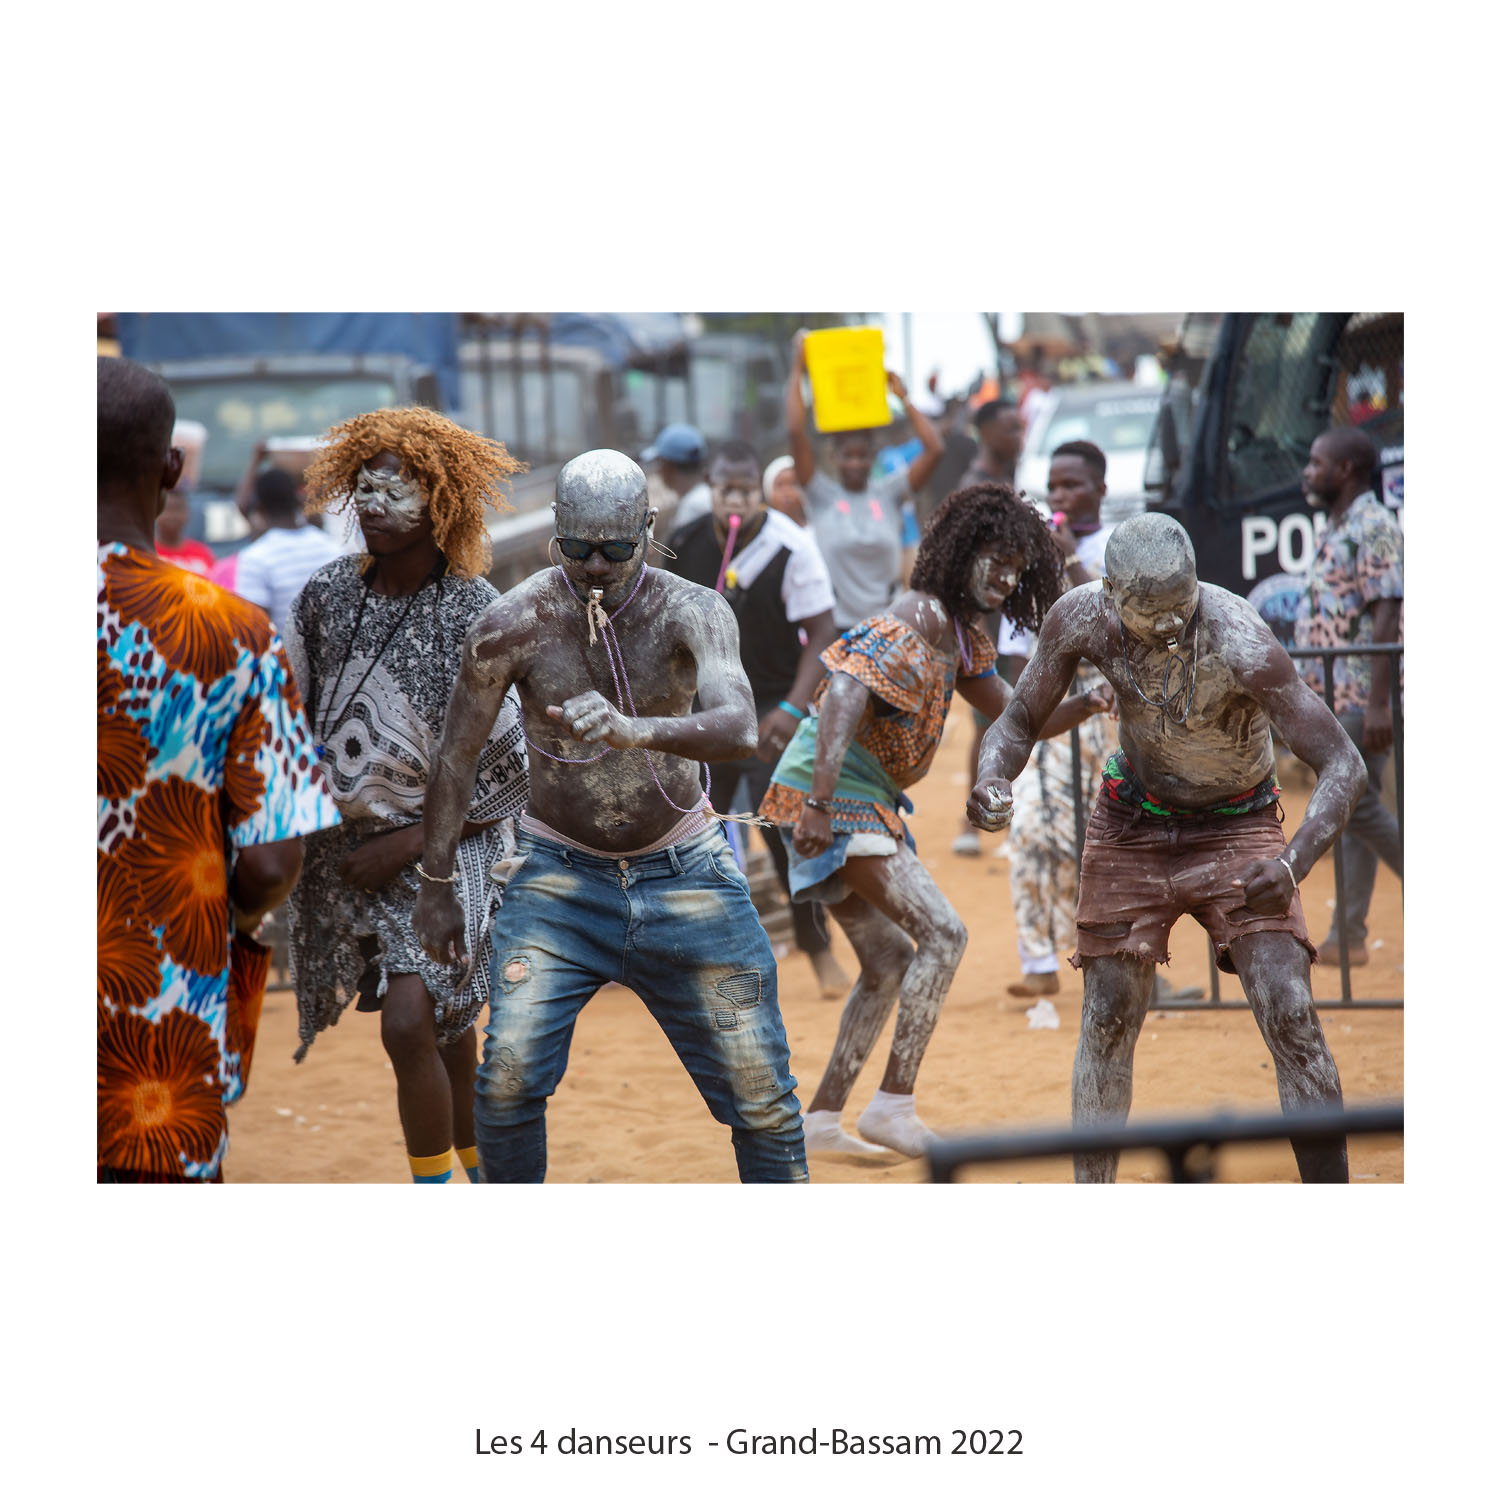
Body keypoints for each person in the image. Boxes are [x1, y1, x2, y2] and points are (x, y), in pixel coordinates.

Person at [413, 449, 807, 1184]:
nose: (595, 567)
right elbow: (455, 758)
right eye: (578, 548)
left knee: (763, 1100)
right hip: (558, 878)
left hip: (687, 870)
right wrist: (435, 885)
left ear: (649, 528)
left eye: (617, 550)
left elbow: (740, 727)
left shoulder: (693, 609)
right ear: (555, 529)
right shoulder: (513, 622)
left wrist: (636, 729)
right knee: (506, 1087)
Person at [968, 513, 1368, 1183]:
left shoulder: (1241, 638)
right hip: (1132, 824)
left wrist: (1291, 863)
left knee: (1291, 1013)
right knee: (1106, 1021)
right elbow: (1016, 721)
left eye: (1180, 610)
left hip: (1238, 824)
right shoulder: (1079, 618)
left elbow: (1343, 764)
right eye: (1150, 616)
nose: (1170, 629)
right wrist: (990, 777)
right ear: (1109, 595)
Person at [760, 484, 1114, 1156]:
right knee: (944, 934)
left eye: (1016, 568)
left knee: (889, 959)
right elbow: (843, 691)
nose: (1004, 578)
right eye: (995, 560)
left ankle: (822, 1121)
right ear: (959, 552)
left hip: (855, 799)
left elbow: (1019, 717)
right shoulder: (920, 615)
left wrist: (1089, 701)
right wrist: (820, 804)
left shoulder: (958, 634)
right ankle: (893, 1106)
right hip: (834, 797)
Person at [97, 357, 339, 1182]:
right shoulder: (232, 633)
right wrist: (224, 918)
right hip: (162, 1049)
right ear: (171, 470)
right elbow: (272, 862)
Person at [283, 408, 530, 1185]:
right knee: (443, 1033)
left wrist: (411, 844)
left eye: (398, 491)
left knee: (408, 1021)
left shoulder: (473, 610)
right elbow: (287, 716)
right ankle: (486, 1176)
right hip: (345, 849)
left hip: (451, 846)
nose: (376, 505)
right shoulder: (326, 597)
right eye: (365, 488)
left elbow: (507, 770)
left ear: (442, 501)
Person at [665, 438, 850, 997]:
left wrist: (792, 709)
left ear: (760, 495)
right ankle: (696, 957)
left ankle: (818, 949)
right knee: (692, 831)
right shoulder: (685, 542)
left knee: (784, 832)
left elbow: (823, 631)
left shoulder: (790, 547)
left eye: (746, 491)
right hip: (701, 709)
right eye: (726, 490)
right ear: (711, 490)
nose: (735, 501)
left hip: (770, 708)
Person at [1294, 426, 1403, 967]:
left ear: (1346, 470)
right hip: (1334, 695)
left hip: (1362, 694)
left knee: (1352, 804)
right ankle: (1348, 936)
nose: (1307, 472)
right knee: (1358, 805)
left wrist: (1380, 703)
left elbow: (1388, 610)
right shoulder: (1338, 524)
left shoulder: (1374, 525)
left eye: (1316, 462)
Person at [786, 329, 945, 630]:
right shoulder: (820, 494)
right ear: (834, 457)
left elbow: (935, 449)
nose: (856, 463)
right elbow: (795, 431)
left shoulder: (890, 492)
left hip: (888, 628)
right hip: (837, 631)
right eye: (848, 455)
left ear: (874, 457)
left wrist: (904, 398)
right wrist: (798, 367)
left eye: (863, 455)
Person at [232, 467, 342, 634]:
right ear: (297, 500)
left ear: (260, 507)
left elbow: (253, 628)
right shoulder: (331, 547)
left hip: (284, 650)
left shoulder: (255, 557)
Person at [643, 422, 711, 539]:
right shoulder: (704, 496)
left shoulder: (694, 506)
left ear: (668, 464)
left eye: (659, 462)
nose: (658, 470)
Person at [960, 399, 1026, 491]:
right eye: (1012, 429)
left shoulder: (1004, 480)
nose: (1019, 436)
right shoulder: (975, 488)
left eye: (1020, 430)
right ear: (986, 432)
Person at [153, 484, 216, 576]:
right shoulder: (147, 553)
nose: (172, 515)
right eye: (167, 509)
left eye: (178, 509)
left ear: (187, 513)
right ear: (156, 513)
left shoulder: (203, 554)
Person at [762, 454, 807, 527]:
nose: (787, 493)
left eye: (793, 484)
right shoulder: (764, 530)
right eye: (779, 485)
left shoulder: (817, 527)